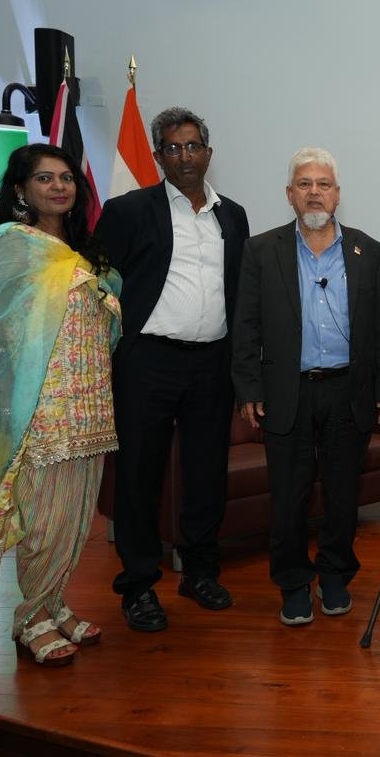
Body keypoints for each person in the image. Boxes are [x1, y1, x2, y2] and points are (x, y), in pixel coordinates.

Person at [0, 144, 121, 666]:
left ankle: (55, 601)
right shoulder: (11, 246)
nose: (59, 187)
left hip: (90, 399)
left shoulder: (86, 251)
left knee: (76, 513)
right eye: (45, 179)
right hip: (42, 404)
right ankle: (28, 616)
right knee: (45, 516)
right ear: (21, 190)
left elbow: (107, 319)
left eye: (66, 178)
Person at [94, 106, 250, 632]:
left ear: (209, 153)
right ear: (159, 156)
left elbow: (237, 290)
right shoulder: (129, 210)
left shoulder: (234, 215)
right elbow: (96, 281)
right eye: (173, 148)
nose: (185, 156)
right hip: (148, 362)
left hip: (212, 363)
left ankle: (199, 571)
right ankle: (138, 585)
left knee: (207, 474)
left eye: (193, 146)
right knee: (140, 474)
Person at [231, 147, 380, 625]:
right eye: (304, 184)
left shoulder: (370, 251)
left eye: (323, 183)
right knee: (288, 496)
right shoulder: (262, 251)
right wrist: (248, 389)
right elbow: (247, 326)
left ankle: (334, 575)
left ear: (338, 194)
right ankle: (292, 583)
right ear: (289, 195)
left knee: (344, 495)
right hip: (289, 393)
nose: (314, 192)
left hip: (349, 392)